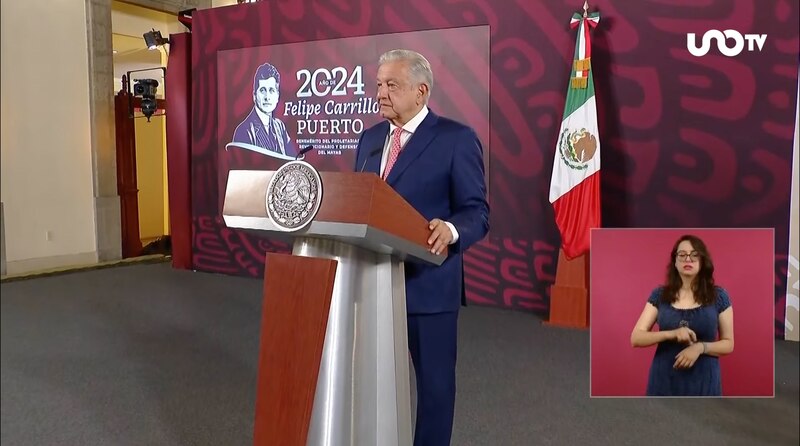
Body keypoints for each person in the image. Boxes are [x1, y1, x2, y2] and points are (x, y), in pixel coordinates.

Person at [353, 49, 489, 444]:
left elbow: (477, 212)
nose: (380, 93)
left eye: (391, 85)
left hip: (427, 288)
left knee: (434, 390)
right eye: (378, 84)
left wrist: (450, 229)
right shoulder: (371, 138)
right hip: (372, 284)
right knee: (373, 383)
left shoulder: (456, 139)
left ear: (421, 91)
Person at [630, 234, 735, 396]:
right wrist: (671, 334)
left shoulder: (719, 296)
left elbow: (728, 344)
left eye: (694, 255)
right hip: (664, 379)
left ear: (703, 261)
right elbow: (636, 338)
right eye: (682, 255)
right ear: (675, 261)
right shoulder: (660, 295)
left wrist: (700, 348)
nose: (688, 259)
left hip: (704, 381)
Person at [231, 62, 297, 158]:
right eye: (262, 90)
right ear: (254, 96)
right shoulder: (244, 131)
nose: (267, 97)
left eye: (271, 90)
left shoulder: (280, 127)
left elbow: (293, 159)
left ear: (277, 96)